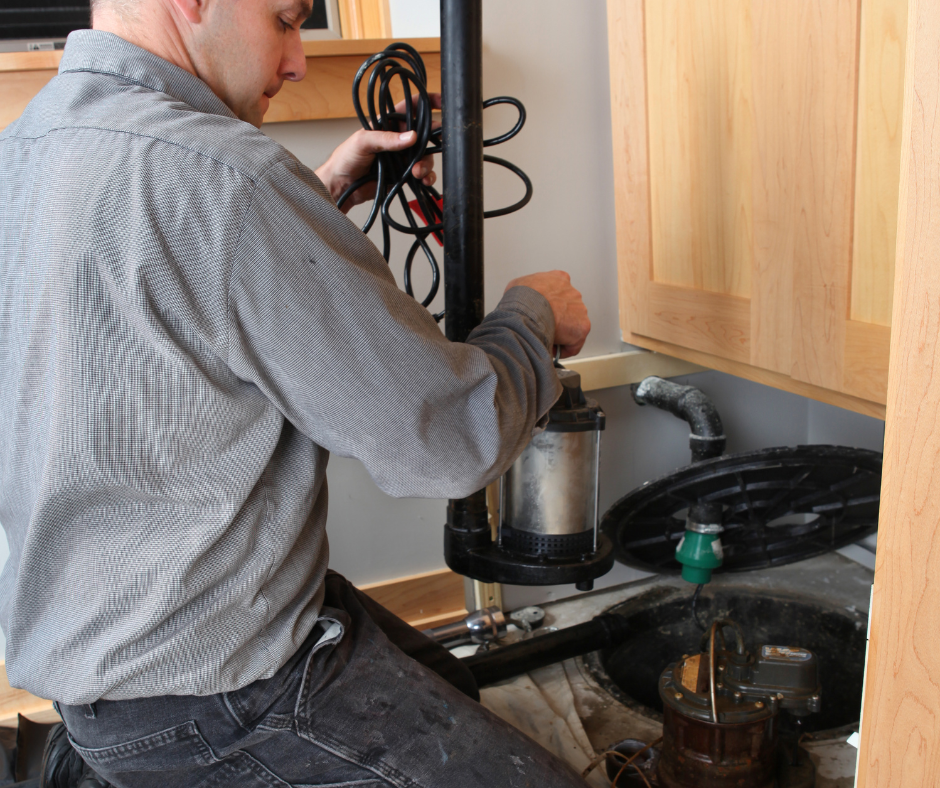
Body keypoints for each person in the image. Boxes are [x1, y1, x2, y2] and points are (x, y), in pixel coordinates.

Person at [0, 0, 593, 785]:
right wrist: (532, 316)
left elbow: (163, 294)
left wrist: (310, 201)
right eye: (285, 19)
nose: (297, 60)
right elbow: (449, 441)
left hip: (96, 687)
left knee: (452, 685)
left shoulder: (29, 146)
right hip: (218, 702)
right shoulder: (224, 175)